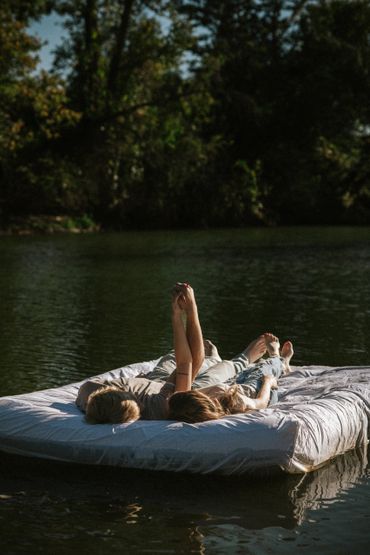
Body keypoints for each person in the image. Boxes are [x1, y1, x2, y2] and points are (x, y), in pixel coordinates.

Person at [76, 283, 293, 423]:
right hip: (181, 390)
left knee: (185, 357)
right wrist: (186, 312)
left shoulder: (89, 396)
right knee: (217, 371)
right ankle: (259, 359)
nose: (140, 406)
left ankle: (218, 357)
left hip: (157, 382)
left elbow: (186, 363)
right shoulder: (163, 404)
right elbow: (190, 362)